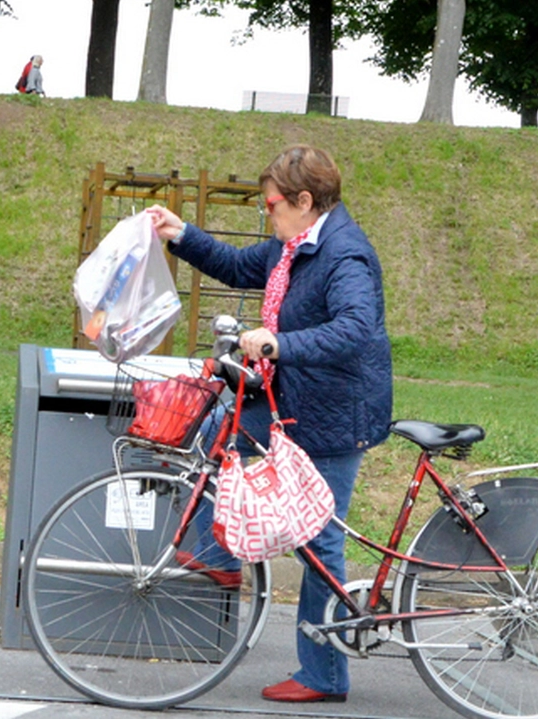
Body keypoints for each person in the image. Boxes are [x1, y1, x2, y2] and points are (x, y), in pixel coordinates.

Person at [145, 144, 393, 704]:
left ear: (305, 201)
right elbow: (236, 266)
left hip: (334, 412)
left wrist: (281, 342)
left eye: (273, 204)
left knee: (317, 541)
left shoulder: (344, 255)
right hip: (294, 396)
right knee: (219, 432)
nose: (269, 213)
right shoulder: (294, 246)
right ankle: (223, 558)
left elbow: (355, 327)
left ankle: (325, 674)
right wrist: (180, 233)